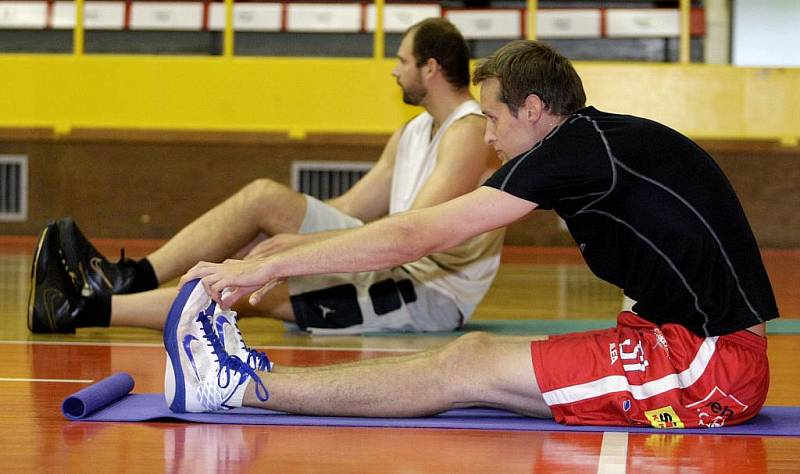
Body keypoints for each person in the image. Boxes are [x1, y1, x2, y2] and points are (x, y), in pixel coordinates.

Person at [168, 39, 779, 428]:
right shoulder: (596, 144)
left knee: (466, 364)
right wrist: (296, 250)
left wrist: (267, 267)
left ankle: (237, 390)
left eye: (492, 117)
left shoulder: (575, 152)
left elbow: (418, 236)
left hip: (707, 365)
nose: (486, 136)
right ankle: (241, 385)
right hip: (685, 344)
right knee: (473, 367)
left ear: (533, 108)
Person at [27, 18, 504, 335]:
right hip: (391, 258)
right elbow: (349, 212)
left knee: (258, 286)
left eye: (402, 60)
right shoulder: (413, 133)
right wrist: (278, 238)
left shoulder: (469, 133)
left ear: (432, 68)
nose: (394, 70)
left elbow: (411, 237)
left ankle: (81, 308)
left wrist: (296, 251)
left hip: (426, 290)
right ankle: (125, 278)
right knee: (262, 203)